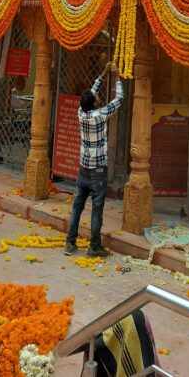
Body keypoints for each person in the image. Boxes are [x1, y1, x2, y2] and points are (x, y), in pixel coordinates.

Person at [64, 62, 124, 258]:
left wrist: (103, 74)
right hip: (98, 172)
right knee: (97, 211)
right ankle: (94, 246)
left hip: (83, 170)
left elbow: (90, 93)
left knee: (77, 207)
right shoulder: (100, 115)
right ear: (94, 103)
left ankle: (70, 242)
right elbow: (119, 99)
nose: (98, 96)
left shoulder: (81, 113)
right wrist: (116, 77)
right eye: (97, 97)